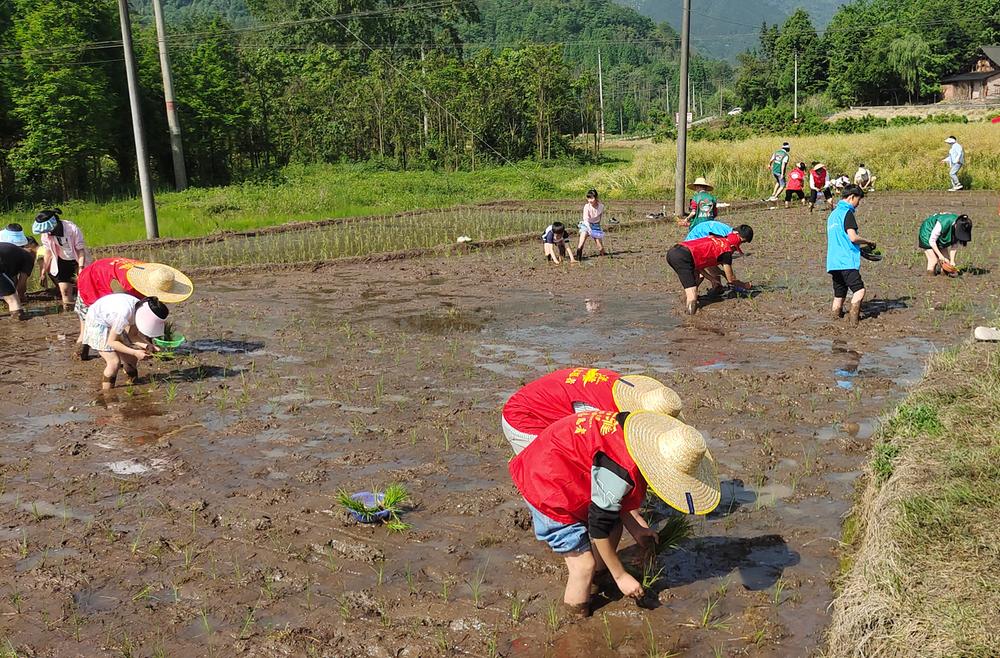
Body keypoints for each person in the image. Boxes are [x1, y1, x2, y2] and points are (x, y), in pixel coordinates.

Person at [508, 409, 719, 616]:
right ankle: (576, 619)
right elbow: (599, 526)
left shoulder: (633, 431)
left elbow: (613, 499)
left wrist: (636, 528)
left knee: (614, 523)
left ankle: (599, 576)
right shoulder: (619, 472)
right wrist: (620, 576)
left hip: (559, 463)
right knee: (583, 566)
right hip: (545, 485)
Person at [500, 367, 682, 455]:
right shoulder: (606, 415)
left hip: (545, 403)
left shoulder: (625, 385)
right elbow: (607, 465)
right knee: (561, 483)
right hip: (523, 419)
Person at [75, 259, 193, 360]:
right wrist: (134, 351)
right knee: (91, 325)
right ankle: (81, 353)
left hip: (106, 275)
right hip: (92, 280)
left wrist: (147, 345)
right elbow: (125, 323)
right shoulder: (128, 288)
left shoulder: (149, 273)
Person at [81, 293, 169, 390]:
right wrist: (135, 352)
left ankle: (132, 383)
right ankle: (108, 394)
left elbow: (133, 335)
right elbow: (112, 342)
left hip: (112, 319)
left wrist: (149, 346)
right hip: (97, 321)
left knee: (131, 359)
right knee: (114, 362)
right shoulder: (124, 314)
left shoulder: (139, 309)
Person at [666, 225, 753, 315]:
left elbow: (698, 266)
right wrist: (744, 285)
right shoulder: (726, 253)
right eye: (736, 249)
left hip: (675, 251)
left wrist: (711, 279)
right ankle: (690, 321)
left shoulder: (718, 237)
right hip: (683, 257)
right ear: (733, 247)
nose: (734, 251)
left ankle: (685, 300)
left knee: (696, 278)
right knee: (692, 294)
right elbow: (731, 279)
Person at [826, 185, 875, 326]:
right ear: (852, 197)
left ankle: (835, 319)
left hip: (833, 262)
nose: (858, 204)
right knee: (859, 290)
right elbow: (853, 238)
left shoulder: (833, 215)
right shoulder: (847, 213)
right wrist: (868, 241)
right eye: (858, 200)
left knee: (839, 294)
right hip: (846, 260)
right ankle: (854, 322)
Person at [32, 209, 89, 312]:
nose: (47, 232)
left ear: (55, 223)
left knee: (85, 289)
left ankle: (86, 312)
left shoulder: (71, 229)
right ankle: (69, 313)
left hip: (78, 260)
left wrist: (81, 268)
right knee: (65, 291)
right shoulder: (46, 234)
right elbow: (48, 252)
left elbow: (80, 250)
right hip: (62, 261)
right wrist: (43, 271)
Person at [0, 239, 39, 320]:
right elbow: (21, 284)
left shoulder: (13, 252)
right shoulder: (29, 257)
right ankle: (18, 325)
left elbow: (11, 281)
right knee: (13, 300)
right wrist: (20, 297)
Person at [576, 189, 607, 259]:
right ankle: (578, 256)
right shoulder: (587, 206)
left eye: (592, 198)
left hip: (595, 225)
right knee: (582, 240)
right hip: (586, 225)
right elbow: (586, 220)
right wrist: (589, 229)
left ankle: (603, 256)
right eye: (588, 198)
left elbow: (599, 218)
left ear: (596, 198)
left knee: (600, 247)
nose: (590, 200)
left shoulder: (601, 206)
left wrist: (598, 228)